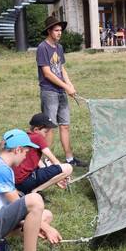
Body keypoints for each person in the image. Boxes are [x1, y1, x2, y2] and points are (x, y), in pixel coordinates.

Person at [36, 16, 86, 167]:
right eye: (56, 30)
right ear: (49, 31)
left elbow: (61, 68)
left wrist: (69, 84)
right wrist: (66, 87)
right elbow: (47, 73)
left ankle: (70, 158)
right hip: (49, 92)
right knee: (50, 127)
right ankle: (45, 161)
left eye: (60, 30)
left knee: (65, 125)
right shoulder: (42, 48)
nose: (59, 33)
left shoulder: (59, 48)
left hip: (61, 91)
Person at [14, 113, 74, 195]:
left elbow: (40, 164)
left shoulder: (26, 137)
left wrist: (56, 179)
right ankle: (35, 192)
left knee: (45, 166)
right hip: (25, 181)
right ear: (36, 130)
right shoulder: (37, 137)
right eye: (46, 131)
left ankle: (25, 192)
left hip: (16, 183)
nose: (46, 134)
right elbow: (54, 161)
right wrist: (65, 174)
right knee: (68, 167)